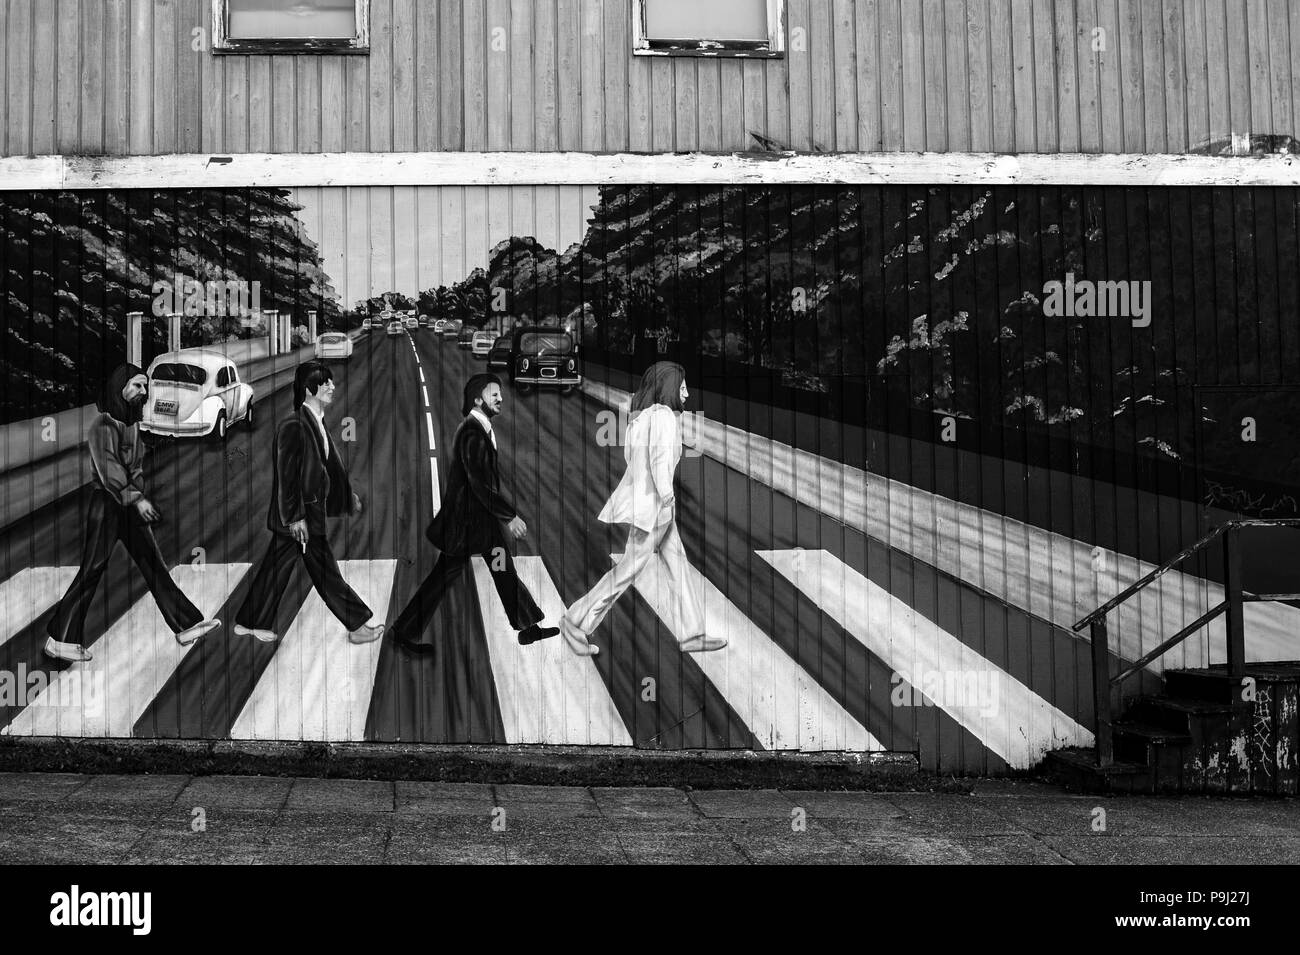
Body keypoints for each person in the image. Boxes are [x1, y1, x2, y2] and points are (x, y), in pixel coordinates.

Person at [44, 364, 221, 662]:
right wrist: (136, 499)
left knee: (153, 564)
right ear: (120, 388)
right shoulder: (103, 425)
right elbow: (109, 469)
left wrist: (139, 497)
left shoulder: (131, 424)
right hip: (107, 505)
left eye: (145, 387)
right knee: (93, 569)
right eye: (137, 386)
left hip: (128, 504)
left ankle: (187, 625)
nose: (144, 393)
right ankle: (59, 639)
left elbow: (135, 466)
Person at [560, 362, 726, 657]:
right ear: (670, 388)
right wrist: (666, 495)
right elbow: (659, 461)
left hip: (650, 508)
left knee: (678, 565)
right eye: (682, 386)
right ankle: (576, 621)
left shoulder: (641, 418)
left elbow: (632, 459)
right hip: (655, 509)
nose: (687, 393)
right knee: (627, 571)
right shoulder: (663, 418)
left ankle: (693, 633)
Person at [388, 373, 558, 656]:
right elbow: (479, 483)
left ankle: (528, 627)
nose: (500, 399)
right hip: (467, 521)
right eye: (494, 395)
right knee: (446, 576)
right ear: (478, 399)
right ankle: (404, 631)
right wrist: (509, 516)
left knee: (503, 570)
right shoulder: (471, 433)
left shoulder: (481, 429)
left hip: (479, 520)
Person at [233, 360, 384, 645]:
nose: (331, 386)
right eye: (324, 382)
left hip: (304, 514)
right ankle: (357, 625)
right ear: (308, 389)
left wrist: (346, 497)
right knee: (326, 572)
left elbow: (328, 467)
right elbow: (286, 477)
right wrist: (295, 517)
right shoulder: (294, 425)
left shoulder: (315, 421)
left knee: (276, 566)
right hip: (301, 517)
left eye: (330, 381)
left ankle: (250, 621)